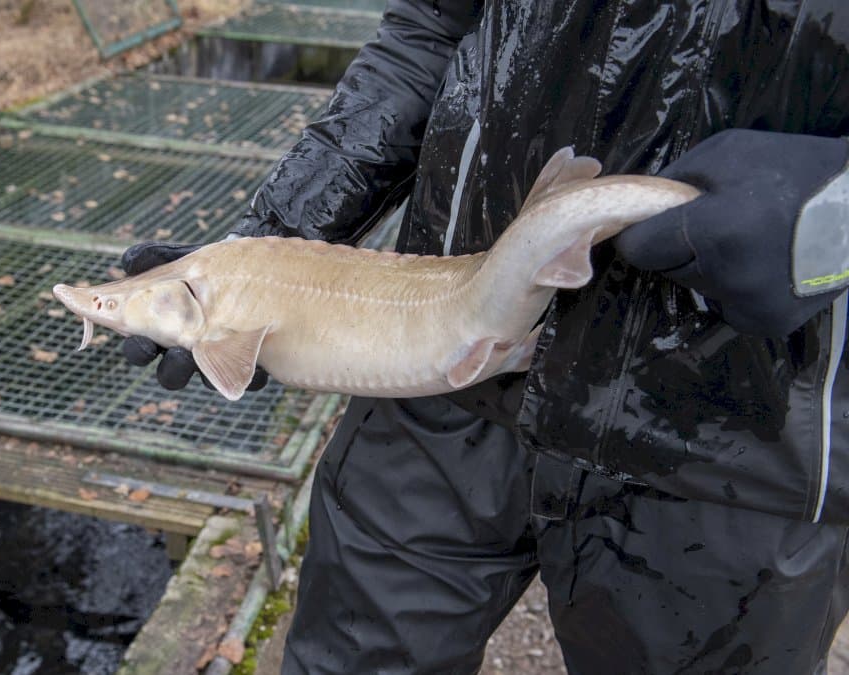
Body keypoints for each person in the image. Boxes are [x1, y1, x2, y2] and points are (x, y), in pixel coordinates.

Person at [120, 1, 849, 672]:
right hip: (434, 365)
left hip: (741, 423)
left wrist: (831, 214)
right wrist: (256, 255)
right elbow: (429, 30)